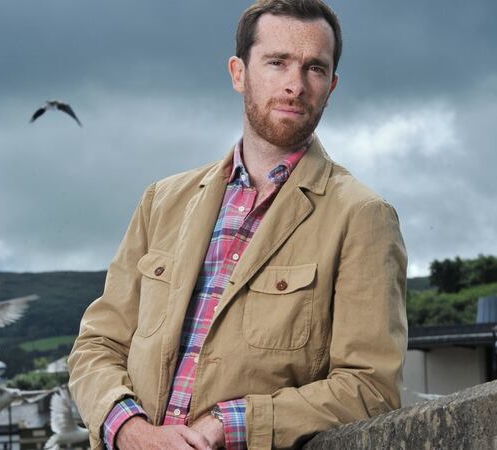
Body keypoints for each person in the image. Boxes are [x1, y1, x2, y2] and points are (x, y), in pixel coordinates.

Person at [68, 0, 407, 449]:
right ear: (238, 73)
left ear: (332, 86)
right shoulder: (162, 201)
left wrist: (232, 423)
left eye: (315, 69)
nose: (295, 84)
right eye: (277, 62)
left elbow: (370, 389)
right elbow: (97, 346)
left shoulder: (362, 216)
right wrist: (130, 431)